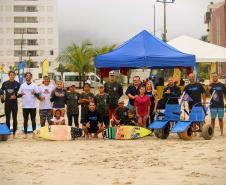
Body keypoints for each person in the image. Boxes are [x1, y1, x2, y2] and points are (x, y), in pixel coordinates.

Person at [18, 72, 39, 138]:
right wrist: (21, 94)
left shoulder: (34, 85)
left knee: (33, 120)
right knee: (25, 120)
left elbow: (38, 95)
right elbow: (18, 95)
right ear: (25, 77)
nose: (28, 77)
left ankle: (34, 133)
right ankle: (25, 134)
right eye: (27, 76)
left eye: (29, 76)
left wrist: (35, 93)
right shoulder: (22, 85)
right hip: (25, 106)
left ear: (31, 77)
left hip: (33, 106)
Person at [0, 71, 20, 138]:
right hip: (7, 103)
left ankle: (14, 133)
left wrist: (16, 96)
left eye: (13, 75)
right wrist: (2, 97)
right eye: (10, 75)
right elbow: (1, 91)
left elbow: (20, 93)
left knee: (15, 118)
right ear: (9, 76)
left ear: (15, 76)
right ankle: (8, 132)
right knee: (7, 119)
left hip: (14, 104)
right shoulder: (5, 83)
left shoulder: (17, 84)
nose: (12, 76)